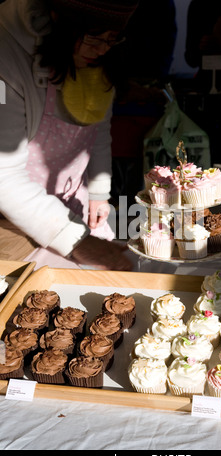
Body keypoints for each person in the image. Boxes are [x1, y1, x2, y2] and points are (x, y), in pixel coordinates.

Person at [0, 0, 140, 270]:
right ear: (58, 19)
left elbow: (98, 133)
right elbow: (4, 177)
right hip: (17, 216)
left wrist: (99, 192)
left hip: (71, 205)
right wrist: (76, 241)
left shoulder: (97, 61)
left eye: (112, 39)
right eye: (94, 37)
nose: (101, 49)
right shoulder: (5, 64)